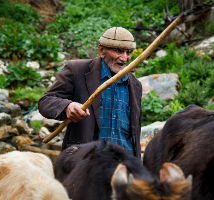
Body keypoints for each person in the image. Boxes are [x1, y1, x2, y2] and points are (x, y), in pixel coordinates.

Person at [38, 27, 142, 158]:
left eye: (129, 52)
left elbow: (134, 132)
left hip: (124, 165)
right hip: (87, 164)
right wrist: (67, 106)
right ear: (101, 50)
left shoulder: (135, 85)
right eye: (119, 51)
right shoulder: (76, 70)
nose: (125, 58)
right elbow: (46, 101)